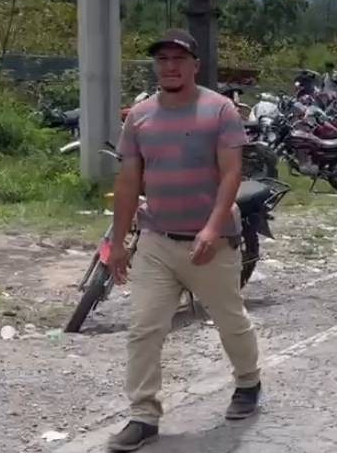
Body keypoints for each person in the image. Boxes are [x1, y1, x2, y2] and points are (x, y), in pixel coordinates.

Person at [107, 29, 262, 452]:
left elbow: (231, 173)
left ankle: (248, 382)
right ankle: (143, 414)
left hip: (210, 241)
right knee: (143, 327)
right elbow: (127, 182)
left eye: (179, 59)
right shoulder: (139, 116)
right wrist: (117, 243)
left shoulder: (219, 110)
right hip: (157, 239)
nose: (170, 67)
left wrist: (213, 228)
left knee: (229, 319)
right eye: (163, 60)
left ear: (195, 65)